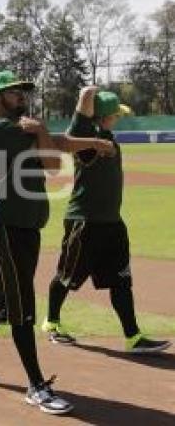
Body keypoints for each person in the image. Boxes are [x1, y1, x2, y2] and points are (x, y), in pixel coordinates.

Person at [0, 70, 116, 416]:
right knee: (21, 305)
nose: (21, 98)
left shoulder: (21, 130)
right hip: (3, 227)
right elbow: (54, 162)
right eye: (13, 93)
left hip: (24, 227)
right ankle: (36, 387)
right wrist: (46, 132)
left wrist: (91, 142)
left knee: (0, 297)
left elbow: (55, 142)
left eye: (22, 93)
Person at [42, 87, 171, 354]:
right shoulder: (86, 140)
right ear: (104, 116)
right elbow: (84, 100)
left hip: (112, 222)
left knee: (122, 280)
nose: (118, 119)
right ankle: (52, 322)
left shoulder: (107, 138)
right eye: (115, 115)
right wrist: (92, 91)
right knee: (66, 276)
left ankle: (133, 337)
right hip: (84, 222)